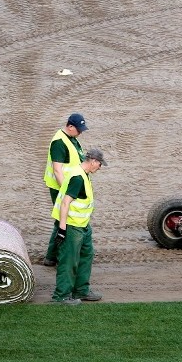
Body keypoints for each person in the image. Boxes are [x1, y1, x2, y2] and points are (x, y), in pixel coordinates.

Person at [51, 148, 107, 305]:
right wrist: (62, 229)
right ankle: (61, 295)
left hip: (82, 225)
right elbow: (65, 203)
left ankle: (81, 290)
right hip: (72, 226)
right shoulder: (78, 178)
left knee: (86, 255)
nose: (100, 167)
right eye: (100, 164)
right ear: (93, 161)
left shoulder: (83, 174)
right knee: (69, 260)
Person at [42, 112, 87, 266]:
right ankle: (57, 256)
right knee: (64, 220)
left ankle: (51, 256)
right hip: (60, 187)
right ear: (70, 126)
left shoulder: (71, 139)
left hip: (70, 185)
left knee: (61, 220)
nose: (80, 132)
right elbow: (57, 170)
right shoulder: (59, 143)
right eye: (79, 129)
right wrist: (66, 192)